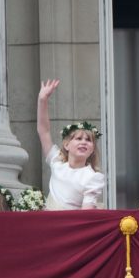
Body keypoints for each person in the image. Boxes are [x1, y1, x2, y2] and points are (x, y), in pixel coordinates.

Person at [37, 79, 105, 210]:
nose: (84, 142)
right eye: (78, 138)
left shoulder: (92, 177)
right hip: (48, 221)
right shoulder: (57, 162)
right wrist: (42, 100)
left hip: (70, 225)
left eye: (88, 140)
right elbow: (43, 131)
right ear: (67, 145)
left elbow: (86, 213)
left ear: (92, 150)